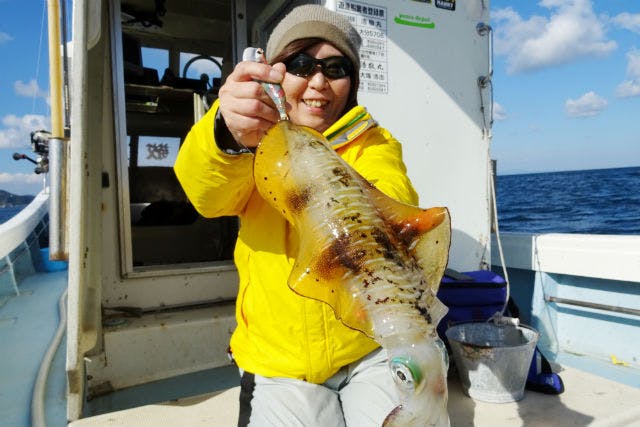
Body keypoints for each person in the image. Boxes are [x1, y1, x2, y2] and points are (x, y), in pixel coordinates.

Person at [174, 5, 420, 426]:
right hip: (278, 362)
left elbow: (393, 199)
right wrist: (227, 134)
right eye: (301, 63)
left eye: (336, 67)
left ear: (352, 81)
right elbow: (207, 195)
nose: (319, 82)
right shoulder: (247, 139)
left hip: (369, 348)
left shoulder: (373, 143)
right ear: (275, 73)